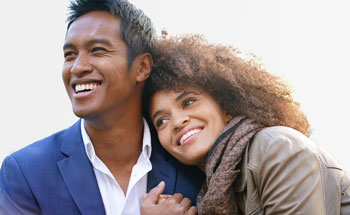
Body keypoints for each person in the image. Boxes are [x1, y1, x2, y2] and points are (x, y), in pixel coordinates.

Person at [0, 1, 204, 215]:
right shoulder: (26, 172)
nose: (77, 67)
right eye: (70, 54)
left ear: (142, 67)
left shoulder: (191, 160)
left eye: (97, 50)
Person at [142, 35, 350, 214]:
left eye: (188, 102)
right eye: (162, 121)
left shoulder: (276, 150)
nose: (177, 122)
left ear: (225, 105)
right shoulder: (213, 189)